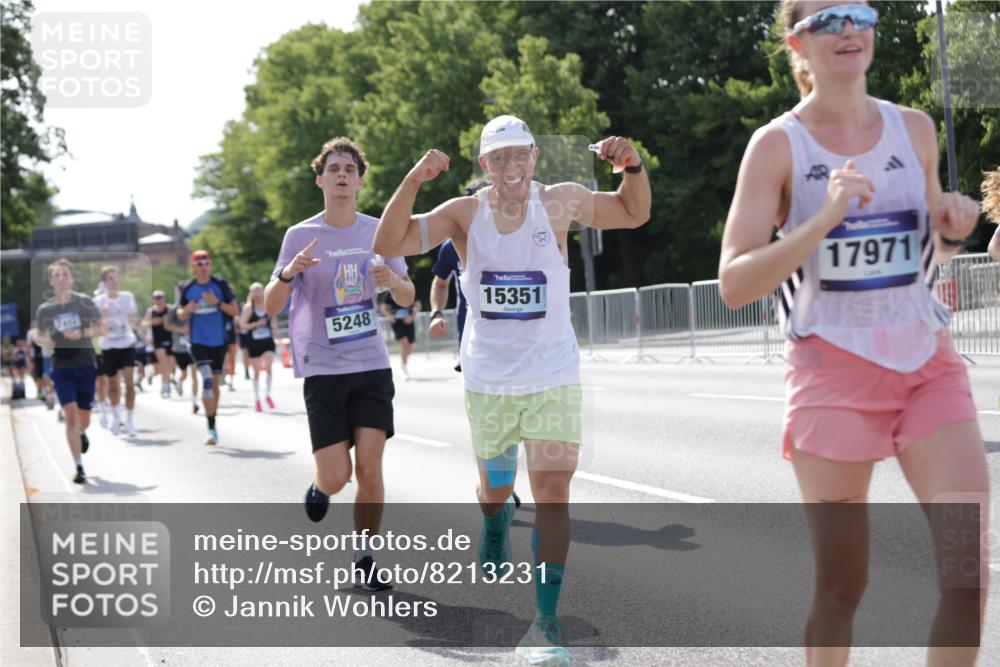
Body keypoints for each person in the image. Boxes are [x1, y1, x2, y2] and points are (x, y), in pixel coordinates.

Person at [718, 3, 987, 664]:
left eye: (859, 12)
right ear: (797, 44)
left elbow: (925, 254)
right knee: (843, 586)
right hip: (831, 377)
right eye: (827, 17)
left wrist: (951, 229)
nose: (847, 28)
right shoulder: (778, 145)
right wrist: (821, 219)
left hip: (927, 366)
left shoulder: (914, 129)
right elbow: (734, 281)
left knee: (968, 572)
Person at [375, 115, 651, 665]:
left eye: (518, 155)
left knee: (553, 493)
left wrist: (632, 166)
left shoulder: (562, 202)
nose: (510, 167)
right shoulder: (463, 213)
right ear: (485, 166)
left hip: (553, 375)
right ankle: (494, 520)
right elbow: (389, 241)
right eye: (497, 158)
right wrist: (413, 180)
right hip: (489, 380)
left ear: (533, 158)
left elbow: (633, 211)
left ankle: (545, 623)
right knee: (495, 490)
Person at [265, 137, 415, 590]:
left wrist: (393, 280)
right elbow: (271, 304)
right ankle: (320, 486)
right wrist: (290, 272)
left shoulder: (380, 231)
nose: (342, 174)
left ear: (361, 180)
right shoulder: (299, 235)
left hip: (370, 364)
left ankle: (366, 556)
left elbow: (408, 296)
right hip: (324, 369)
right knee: (338, 475)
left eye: (350, 168)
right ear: (321, 179)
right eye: (334, 168)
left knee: (370, 468)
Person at [34, 258, 101, 484]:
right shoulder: (45, 309)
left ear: (71, 279)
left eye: (65, 275)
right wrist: (46, 341)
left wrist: (81, 334)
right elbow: (38, 335)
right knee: (70, 415)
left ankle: (82, 432)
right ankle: (78, 466)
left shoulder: (84, 303)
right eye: (57, 275)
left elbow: (100, 327)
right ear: (52, 280)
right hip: (62, 367)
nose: (62, 279)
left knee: (84, 416)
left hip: (85, 363)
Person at [178, 250, 240, 444]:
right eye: (199, 263)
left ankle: (213, 423)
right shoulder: (188, 288)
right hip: (197, 341)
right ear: (194, 267)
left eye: (206, 263)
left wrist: (217, 302)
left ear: (210, 265)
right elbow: (179, 314)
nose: (204, 267)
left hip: (218, 341)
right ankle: (210, 427)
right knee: (206, 379)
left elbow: (235, 310)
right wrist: (187, 310)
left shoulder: (220, 284)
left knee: (214, 384)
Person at [93, 265, 140, 437]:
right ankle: (116, 417)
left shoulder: (127, 297)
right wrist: (103, 317)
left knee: (129, 381)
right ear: (105, 282)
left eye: (116, 277)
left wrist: (132, 319)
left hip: (127, 342)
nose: (114, 281)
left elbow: (135, 318)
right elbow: (94, 326)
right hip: (109, 345)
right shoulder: (98, 301)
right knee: (113, 384)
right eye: (110, 279)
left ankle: (129, 421)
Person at [240, 282, 278, 412]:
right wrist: (255, 324)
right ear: (251, 294)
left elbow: (273, 321)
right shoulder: (249, 309)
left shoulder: (269, 307)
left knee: (268, 368)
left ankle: (268, 395)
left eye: (259, 291)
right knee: (256, 373)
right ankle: (257, 399)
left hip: (267, 341)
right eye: (254, 292)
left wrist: (273, 329)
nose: (257, 294)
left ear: (263, 292)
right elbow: (242, 324)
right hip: (254, 343)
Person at [164, 283, 200, 413]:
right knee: (184, 374)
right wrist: (181, 329)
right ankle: (179, 382)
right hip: (179, 347)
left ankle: (195, 402)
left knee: (195, 372)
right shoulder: (174, 309)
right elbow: (167, 326)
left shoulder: (195, 307)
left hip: (193, 345)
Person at [381, 295, 421, 380]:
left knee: (409, 346)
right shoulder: (390, 293)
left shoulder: (409, 289)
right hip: (397, 322)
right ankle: (403, 368)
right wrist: (389, 316)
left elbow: (417, 305)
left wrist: (412, 316)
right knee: (404, 342)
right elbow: (384, 307)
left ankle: (404, 363)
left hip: (408, 321)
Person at [144, 289, 175, 398]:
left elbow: (177, 319)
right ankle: (166, 386)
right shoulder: (151, 311)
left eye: (160, 297)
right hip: (158, 341)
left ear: (164, 298)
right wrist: (146, 339)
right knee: (163, 362)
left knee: (170, 365)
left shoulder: (170, 309)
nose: (159, 300)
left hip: (171, 340)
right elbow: (144, 324)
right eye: (156, 298)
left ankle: (162, 379)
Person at [26, 320, 56, 409]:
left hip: (56, 356)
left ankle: (49, 393)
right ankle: (44, 393)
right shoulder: (32, 332)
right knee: (42, 376)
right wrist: (28, 358)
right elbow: (30, 344)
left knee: (50, 376)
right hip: (43, 356)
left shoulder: (55, 326)